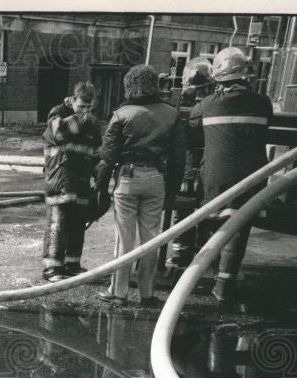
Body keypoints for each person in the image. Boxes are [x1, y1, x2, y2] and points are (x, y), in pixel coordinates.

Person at [186, 46, 274, 302]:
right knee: (239, 225)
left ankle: (208, 271)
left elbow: (191, 130)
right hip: (252, 180)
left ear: (219, 78)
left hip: (214, 180)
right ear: (246, 76)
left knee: (210, 220)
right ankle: (225, 284)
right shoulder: (262, 103)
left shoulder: (207, 105)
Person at [94, 64, 185, 304]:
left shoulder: (121, 114)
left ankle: (118, 292)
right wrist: (172, 191)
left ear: (129, 86)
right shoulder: (172, 114)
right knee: (151, 238)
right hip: (156, 179)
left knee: (124, 238)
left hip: (127, 178)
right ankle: (147, 293)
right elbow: (178, 159)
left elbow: (107, 158)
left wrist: (101, 188)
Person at [40, 81, 103, 282]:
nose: (85, 111)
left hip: (81, 180)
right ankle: (52, 268)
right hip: (60, 178)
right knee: (58, 224)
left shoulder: (92, 123)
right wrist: (85, 118)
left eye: (88, 107)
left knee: (77, 224)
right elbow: (59, 134)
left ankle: (71, 264)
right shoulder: (57, 113)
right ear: (72, 100)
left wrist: (99, 179)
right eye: (81, 106)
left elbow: (96, 153)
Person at [164, 57, 216, 273]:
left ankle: (180, 254)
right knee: (206, 214)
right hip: (209, 171)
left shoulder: (194, 109)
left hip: (190, 171)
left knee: (183, 213)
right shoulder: (215, 104)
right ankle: (203, 253)